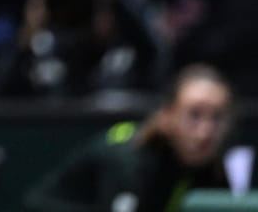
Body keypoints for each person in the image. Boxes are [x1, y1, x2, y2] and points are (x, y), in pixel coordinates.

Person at [24, 64, 233, 212]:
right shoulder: (129, 162)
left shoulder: (210, 168)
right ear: (167, 116)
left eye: (217, 117)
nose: (206, 131)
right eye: (194, 115)